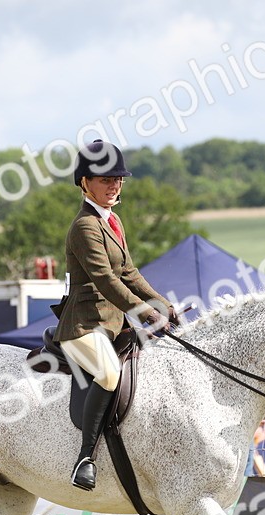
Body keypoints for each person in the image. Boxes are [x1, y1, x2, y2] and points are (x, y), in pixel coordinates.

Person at [53, 139, 176, 491]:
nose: (114, 185)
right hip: (83, 325)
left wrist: (163, 305)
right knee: (109, 373)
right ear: (84, 182)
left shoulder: (113, 220)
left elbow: (130, 273)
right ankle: (85, 458)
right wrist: (143, 312)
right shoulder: (85, 227)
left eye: (119, 179)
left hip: (113, 323)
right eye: (106, 179)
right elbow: (106, 280)